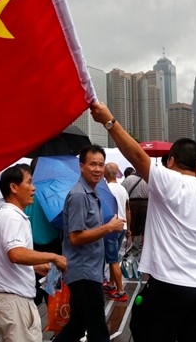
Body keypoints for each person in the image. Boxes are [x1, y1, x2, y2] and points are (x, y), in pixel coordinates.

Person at [91, 103, 196, 342]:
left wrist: (109, 121)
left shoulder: (170, 181)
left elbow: (136, 154)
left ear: (171, 161)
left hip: (169, 285)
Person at [0, 164, 67, 342]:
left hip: (9, 301)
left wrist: (34, 266)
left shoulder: (9, 215)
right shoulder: (12, 217)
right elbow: (15, 254)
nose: (33, 188)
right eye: (29, 182)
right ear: (13, 187)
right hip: (13, 302)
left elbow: (9, 258)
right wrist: (54, 257)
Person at [54, 145, 125, 342]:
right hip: (84, 272)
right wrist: (108, 228)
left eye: (101, 165)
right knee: (98, 330)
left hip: (91, 270)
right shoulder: (79, 195)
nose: (97, 169)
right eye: (93, 164)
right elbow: (75, 237)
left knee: (78, 326)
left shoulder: (92, 193)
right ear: (81, 166)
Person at [103, 162, 131, 301]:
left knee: (113, 260)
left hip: (112, 228)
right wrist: (129, 228)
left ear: (106, 173)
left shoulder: (105, 189)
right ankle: (111, 283)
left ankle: (120, 291)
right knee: (113, 258)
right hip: (122, 227)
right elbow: (127, 209)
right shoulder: (122, 189)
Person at [122, 167, 149, 257]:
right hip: (146, 204)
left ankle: (130, 248)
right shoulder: (148, 178)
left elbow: (123, 191)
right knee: (145, 229)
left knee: (132, 228)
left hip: (132, 204)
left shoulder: (129, 179)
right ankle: (144, 250)